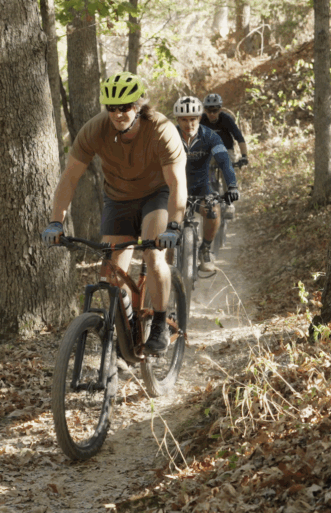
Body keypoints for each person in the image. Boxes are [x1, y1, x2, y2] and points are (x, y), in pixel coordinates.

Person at [41, 72, 187, 356]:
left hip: (157, 195)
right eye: (111, 108)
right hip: (118, 200)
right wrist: (55, 221)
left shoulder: (160, 128)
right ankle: (126, 326)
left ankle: (159, 322)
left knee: (153, 254)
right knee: (110, 276)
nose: (118, 114)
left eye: (125, 107)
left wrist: (173, 226)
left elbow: (176, 182)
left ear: (138, 105)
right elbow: (69, 178)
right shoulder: (95, 130)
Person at [173, 96, 239, 272]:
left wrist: (232, 185)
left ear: (199, 117)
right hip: (172, 189)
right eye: (184, 120)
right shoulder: (169, 136)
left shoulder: (210, 136)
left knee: (213, 210)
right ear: (177, 120)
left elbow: (224, 162)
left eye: (193, 119)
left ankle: (206, 249)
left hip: (200, 188)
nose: (189, 124)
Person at [201, 93, 248, 219]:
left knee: (226, 166)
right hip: (208, 151)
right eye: (208, 110)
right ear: (204, 110)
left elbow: (239, 138)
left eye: (215, 110)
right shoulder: (201, 120)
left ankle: (229, 203)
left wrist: (244, 156)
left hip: (226, 150)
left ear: (220, 109)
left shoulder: (226, 119)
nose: (212, 114)